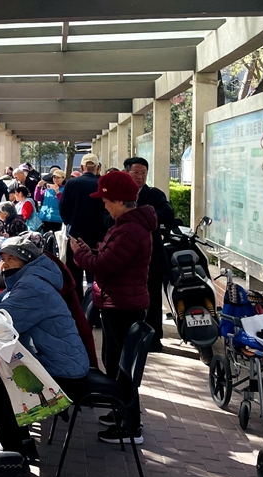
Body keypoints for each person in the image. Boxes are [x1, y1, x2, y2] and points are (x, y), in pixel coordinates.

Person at [0, 235, 90, 477]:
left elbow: (3, 324)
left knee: (1, 379)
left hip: (66, 373)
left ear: (26, 261)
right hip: (62, 363)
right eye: (3, 259)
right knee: (5, 368)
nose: (4, 264)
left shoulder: (32, 286)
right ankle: (21, 440)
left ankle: (14, 458)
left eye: (11, 259)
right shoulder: (27, 280)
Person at [69, 171, 157, 445]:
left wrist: (80, 255)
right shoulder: (125, 225)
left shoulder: (130, 229)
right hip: (117, 302)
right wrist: (90, 251)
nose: (104, 205)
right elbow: (109, 259)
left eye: (106, 200)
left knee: (123, 369)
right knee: (115, 364)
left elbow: (105, 266)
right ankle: (121, 413)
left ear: (119, 200)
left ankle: (130, 426)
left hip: (123, 306)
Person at [116, 157, 174, 352]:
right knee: (130, 301)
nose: (140, 177)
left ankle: (154, 340)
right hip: (125, 258)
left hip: (152, 258)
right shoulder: (119, 195)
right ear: (127, 173)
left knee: (153, 301)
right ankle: (131, 339)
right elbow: (106, 219)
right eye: (136, 173)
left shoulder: (154, 195)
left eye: (143, 173)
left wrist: (138, 217)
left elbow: (168, 214)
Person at [59, 153, 108, 300]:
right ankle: (95, 302)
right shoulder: (101, 184)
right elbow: (105, 213)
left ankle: (78, 304)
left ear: (82, 167)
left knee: (75, 274)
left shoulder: (72, 184)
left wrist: (71, 222)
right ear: (98, 168)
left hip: (75, 234)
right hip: (97, 236)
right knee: (96, 273)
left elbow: (63, 210)